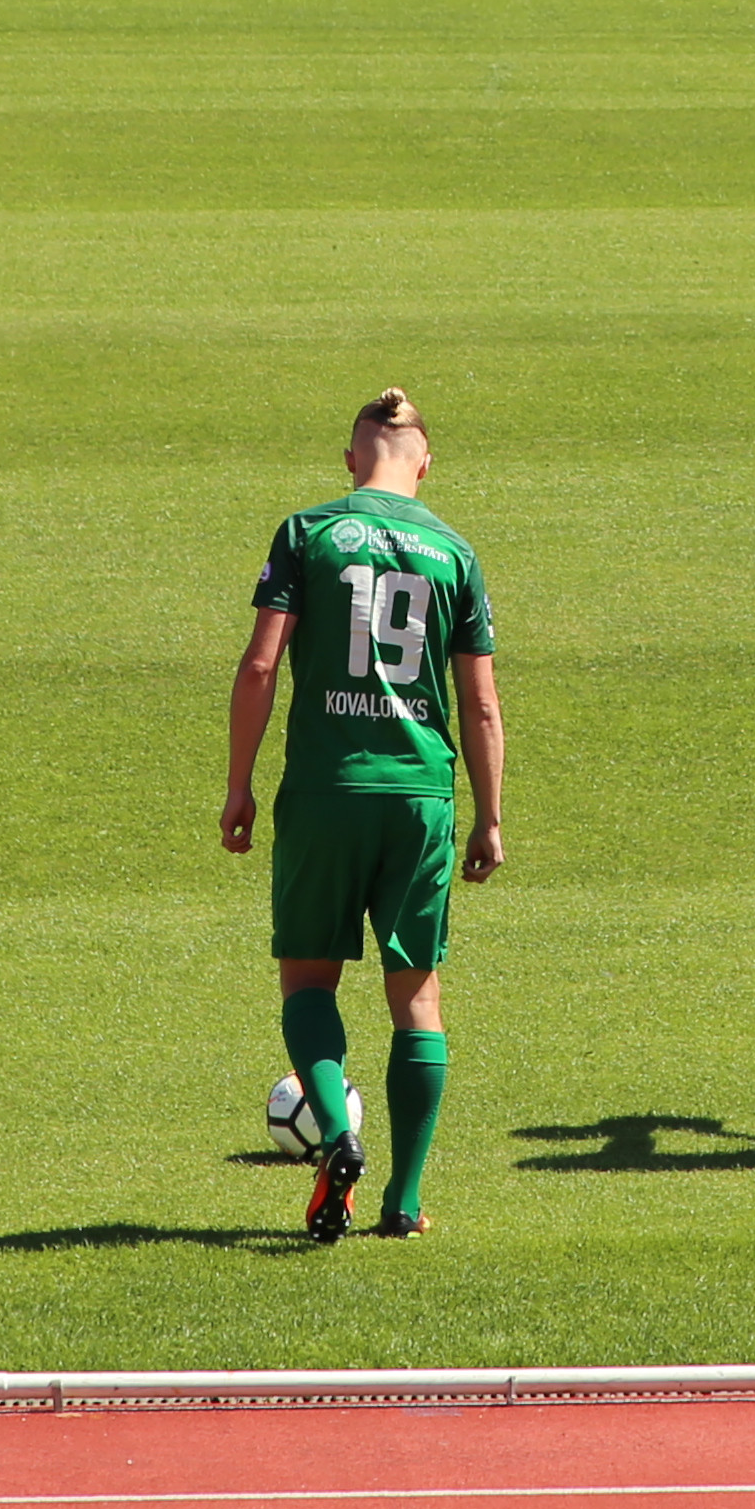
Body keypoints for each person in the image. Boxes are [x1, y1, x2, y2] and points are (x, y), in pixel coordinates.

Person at [222, 389, 503, 1241]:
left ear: (351, 460)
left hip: (325, 790)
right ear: (423, 463)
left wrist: (239, 785)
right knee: (416, 996)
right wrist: (489, 817)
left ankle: (338, 1137)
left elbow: (262, 666)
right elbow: (481, 704)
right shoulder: (454, 552)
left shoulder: (308, 532)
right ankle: (404, 1202)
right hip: (419, 794)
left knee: (309, 981)